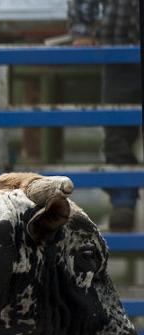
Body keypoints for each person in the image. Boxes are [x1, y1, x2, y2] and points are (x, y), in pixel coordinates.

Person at [69, 0, 141, 232]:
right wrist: (82, 29)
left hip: (119, 44)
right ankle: (123, 205)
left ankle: (124, 204)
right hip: (119, 49)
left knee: (117, 130)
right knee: (117, 132)